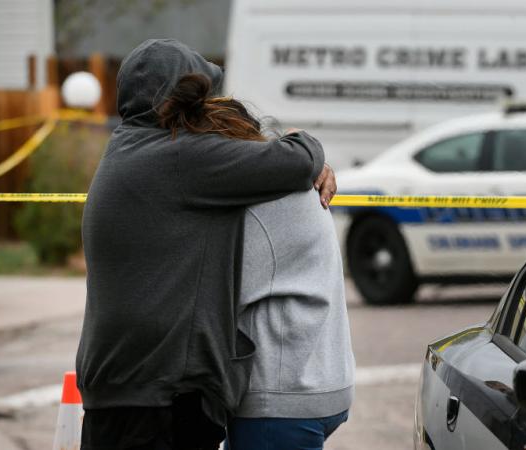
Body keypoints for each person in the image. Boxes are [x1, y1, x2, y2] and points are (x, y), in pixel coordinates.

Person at [75, 39, 337, 450]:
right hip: (161, 396)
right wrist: (303, 141)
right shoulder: (179, 157)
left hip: (121, 389)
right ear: (181, 102)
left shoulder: (126, 147)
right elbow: (299, 161)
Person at [157, 72, 355, 450]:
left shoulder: (260, 206)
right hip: (317, 380)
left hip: (280, 398)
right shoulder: (291, 183)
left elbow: (210, 293)